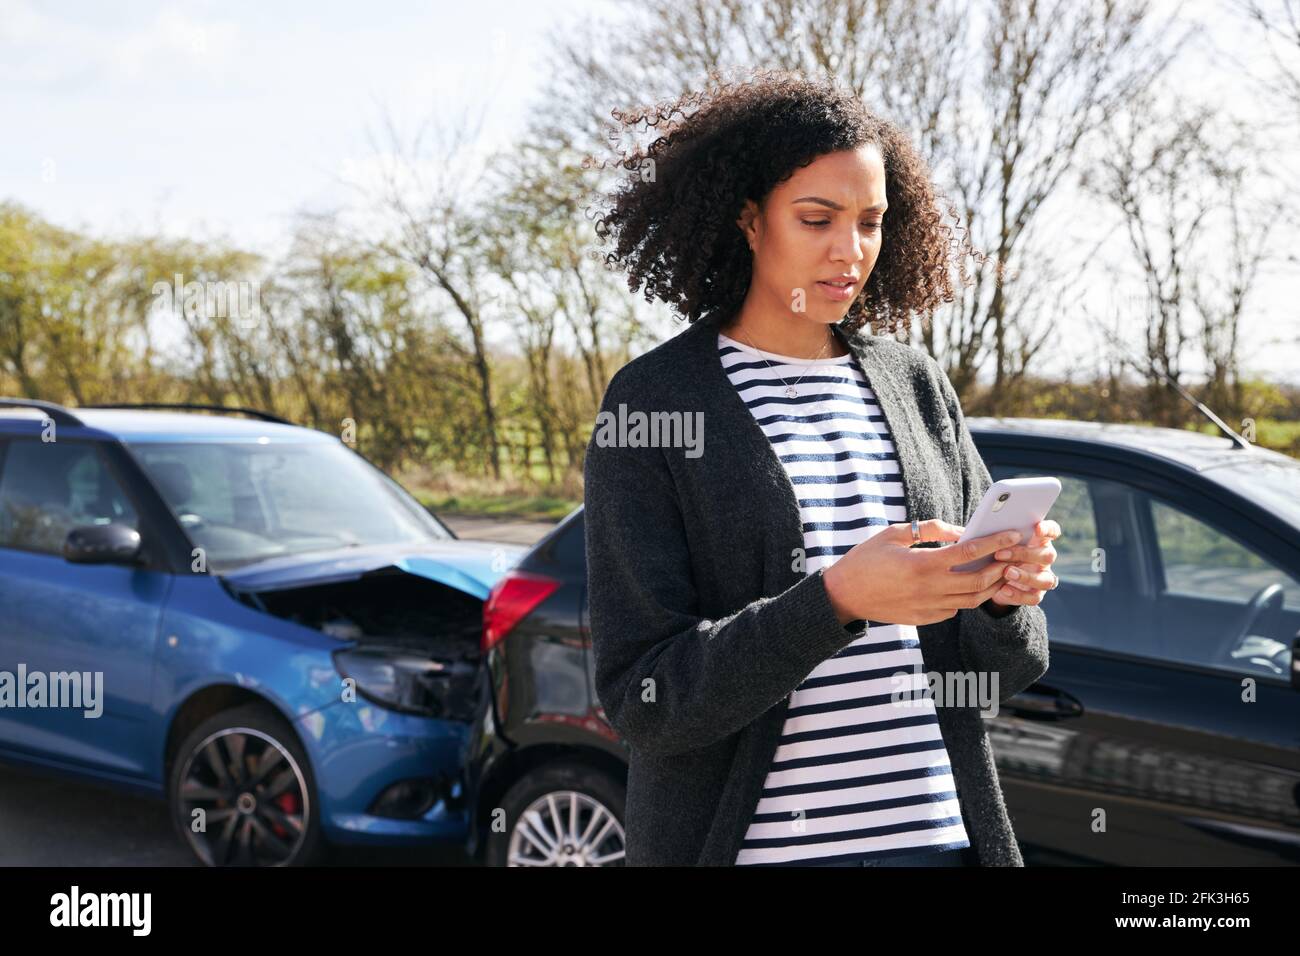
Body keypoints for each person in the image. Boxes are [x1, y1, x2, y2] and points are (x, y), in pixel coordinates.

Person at [582, 69, 1061, 867]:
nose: (851, 251)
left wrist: (1003, 597)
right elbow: (645, 699)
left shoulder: (915, 385)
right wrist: (835, 601)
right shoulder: (656, 400)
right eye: (817, 219)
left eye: (871, 222)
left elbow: (1013, 667)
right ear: (748, 219)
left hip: (939, 842)